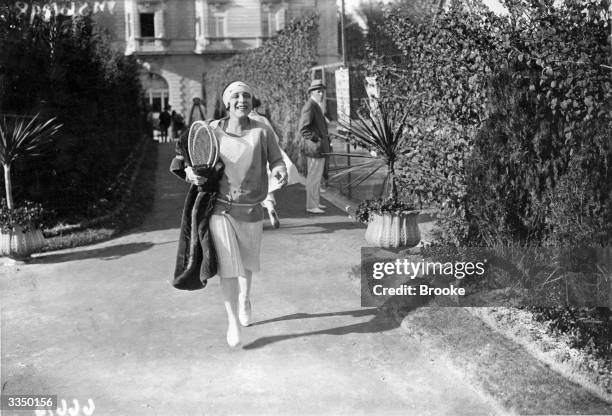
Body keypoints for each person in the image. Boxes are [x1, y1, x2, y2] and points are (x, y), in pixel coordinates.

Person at [184, 81, 288, 347]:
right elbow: (190, 160)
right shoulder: (213, 130)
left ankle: (245, 298)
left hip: (251, 210)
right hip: (221, 208)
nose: (242, 99)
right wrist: (190, 173)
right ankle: (232, 321)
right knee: (229, 267)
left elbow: (276, 160)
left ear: (251, 101)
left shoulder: (262, 132)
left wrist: (279, 171)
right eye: (236, 95)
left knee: (247, 264)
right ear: (227, 102)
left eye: (246, 95)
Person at [249, 97, 304, 228]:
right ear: (256, 108)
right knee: (266, 185)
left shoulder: (244, 121)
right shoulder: (263, 119)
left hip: (251, 157)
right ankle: (270, 208)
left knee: (251, 188)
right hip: (266, 156)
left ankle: (256, 218)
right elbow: (275, 138)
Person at [298, 79, 331, 214]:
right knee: (313, 178)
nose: (321, 94)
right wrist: (317, 139)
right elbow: (303, 128)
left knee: (316, 178)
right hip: (314, 149)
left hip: (318, 148)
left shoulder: (315, 105)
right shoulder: (310, 106)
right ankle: (311, 205)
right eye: (319, 91)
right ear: (312, 92)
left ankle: (315, 203)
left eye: (322, 91)